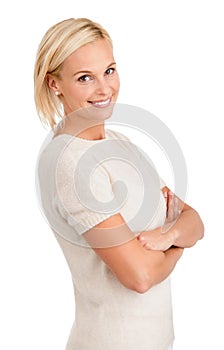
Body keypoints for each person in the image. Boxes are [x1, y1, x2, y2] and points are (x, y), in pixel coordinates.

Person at [34, 18, 204, 350]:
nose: (104, 89)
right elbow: (139, 278)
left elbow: (194, 220)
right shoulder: (70, 163)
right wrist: (179, 246)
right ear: (54, 84)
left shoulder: (119, 142)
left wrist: (166, 236)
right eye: (85, 78)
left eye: (109, 70)